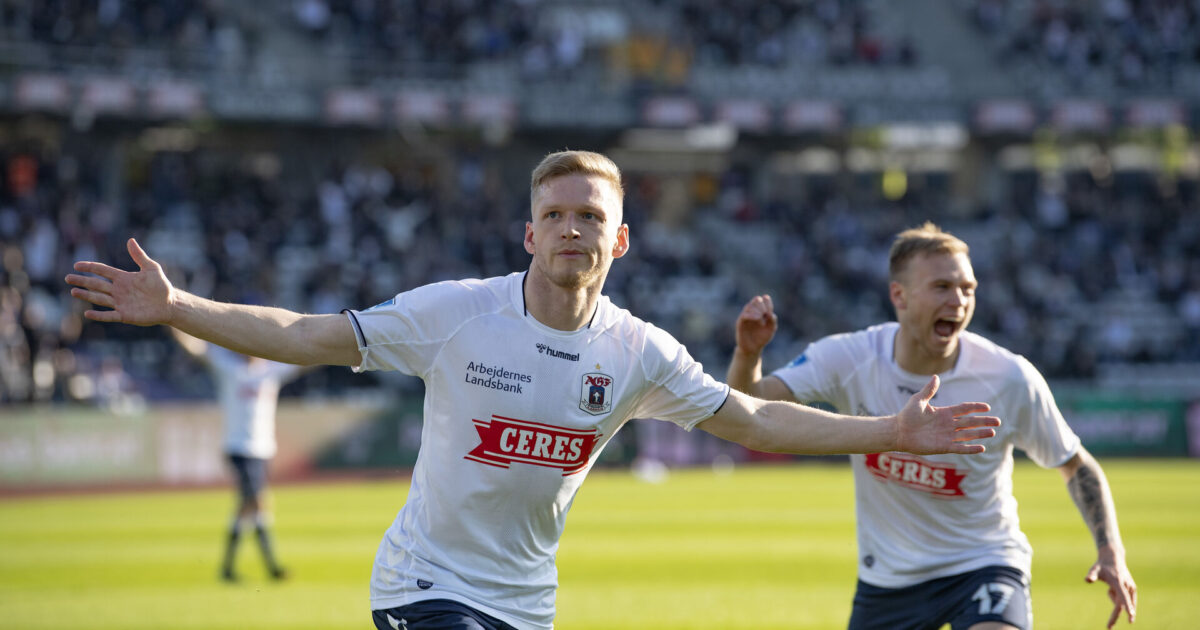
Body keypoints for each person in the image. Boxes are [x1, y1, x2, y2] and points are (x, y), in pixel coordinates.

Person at [67, 151, 999, 630]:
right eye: (553, 215)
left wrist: (892, 430)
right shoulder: (456, 314)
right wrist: (180, 305)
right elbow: (311, 336)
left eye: (590, 216)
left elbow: (750, 418)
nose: (571, 229)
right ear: (527, 234)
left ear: (619, 240)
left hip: (525, 600)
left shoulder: (638, 350)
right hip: (424, 585)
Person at [726, 222, 1137, 630]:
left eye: (968, 288)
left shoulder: (1009, 377)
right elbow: (752, 410)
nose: (958, 300)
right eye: (942, 287)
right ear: (899, 296)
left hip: (983, 564)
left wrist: (1111, 551)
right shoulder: (848, 357)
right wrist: (747, 355)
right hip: (889, 581)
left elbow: (1076, 464)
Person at [170, 327, 307, 582]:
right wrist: (171, 321)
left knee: (248, 508)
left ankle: (229, 569)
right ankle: (272, 567)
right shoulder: (231, 369)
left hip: (263, 450)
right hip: (238, 448)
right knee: (258, 502)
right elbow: (197, 350)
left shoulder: (270, 371)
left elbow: (305, 362)